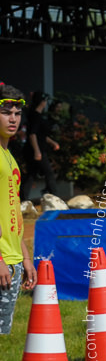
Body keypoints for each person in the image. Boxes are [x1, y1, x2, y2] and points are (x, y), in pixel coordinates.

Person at [0, 86, 36, 335]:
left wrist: (24, 256)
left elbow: (11, 212)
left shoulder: (9, 156)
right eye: (5, 112)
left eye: (17, 113)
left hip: (12, 261)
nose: (13, 118)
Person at [20, 92, 60, 204]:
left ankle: (23, 198)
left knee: (31, 174)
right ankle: (55, 197)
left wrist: (53, 142)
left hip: (37, 149)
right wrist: (37, 151)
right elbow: (32, 134)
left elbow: (41, 135)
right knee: (49, 172)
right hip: (36, 150)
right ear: (42, 102)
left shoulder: (38, 116)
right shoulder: (35, 116)